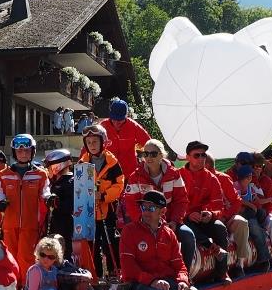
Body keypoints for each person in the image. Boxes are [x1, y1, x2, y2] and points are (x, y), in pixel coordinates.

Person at [122, 138, 197, 271]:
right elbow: (131, 204)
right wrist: (144, 222)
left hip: (169, 221)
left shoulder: (174, 174)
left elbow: (182, 201)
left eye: (153, 154)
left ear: (162, 155)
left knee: (188, 236)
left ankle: (185, 276)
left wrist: (174, 221)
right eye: (146, 154)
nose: (149, 157)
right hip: (143, 223)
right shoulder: (135, 177)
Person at [0, 134, 50, 278]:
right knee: (10, 257)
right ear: (14, 152)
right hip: (9, 224)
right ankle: (11, 288)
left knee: (26, 257)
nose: (23, 154)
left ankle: (28, 288)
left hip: (30, 224)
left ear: (32, 152)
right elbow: (0, 192)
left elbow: (45, 192)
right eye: (20, 151)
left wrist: (49, 198)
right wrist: (0, 202)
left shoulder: (40, 174)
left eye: (27, 151)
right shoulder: (4, 174)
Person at [178, 141, 230, 279]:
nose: (201, 158)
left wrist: (211, 214)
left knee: (220, 227)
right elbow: (173, 204)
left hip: (203, 220)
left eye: (203, 155)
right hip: (183, 218)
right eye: (197, 155)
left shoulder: (212, 178)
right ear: (188, 157)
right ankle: (186, 277)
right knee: (186, 228)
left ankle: (222, 272)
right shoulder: (177, 175)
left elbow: (220, 207)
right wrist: (188, 214)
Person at [25, 236, 117, 290]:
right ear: (38, 253)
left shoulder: (53, 269)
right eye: (43, 255)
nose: (46, 259)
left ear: (55, 258)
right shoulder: (35, 270)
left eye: (51, 257)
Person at [79, 125, 125, 278]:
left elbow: (119, 184)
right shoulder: (82, 162)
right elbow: (78, 184)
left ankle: (113, 271)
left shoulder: (112, 162)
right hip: (89, 210)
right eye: (89, 142)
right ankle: (95, 274)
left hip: (107, 209)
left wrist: (104, 195)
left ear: (103, 142)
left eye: (95, 142)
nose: (92, 145)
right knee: (92, 243)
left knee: (109, 241)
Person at [206, 153, 251, 278]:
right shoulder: (195, 178)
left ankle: (240, 264)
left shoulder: (224, 178)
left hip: (225, 217)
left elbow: (236, 201)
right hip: (207, 219)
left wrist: (226, 215)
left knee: (242, 222)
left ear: (208, 165)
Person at [233, 164, 272, 272]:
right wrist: (251, 205)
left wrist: (269, 200)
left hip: (249, 214)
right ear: (246, 177)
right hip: (239, 214)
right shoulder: (236, 186)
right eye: (250, 176)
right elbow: (237, 200)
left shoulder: (250, 188)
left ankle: (264, 257)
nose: (251, 177)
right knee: (255, 228)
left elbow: (257, 201)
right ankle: (264, 258)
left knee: (259, 221)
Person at [100, 98, 151, 180]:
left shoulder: (133, 126)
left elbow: (149, 143)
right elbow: (88, 146)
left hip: (129, 174)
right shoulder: (102, 126)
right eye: (114, 119)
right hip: (108, 174)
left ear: (126, 116)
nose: (116, 123)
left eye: (120, 120)